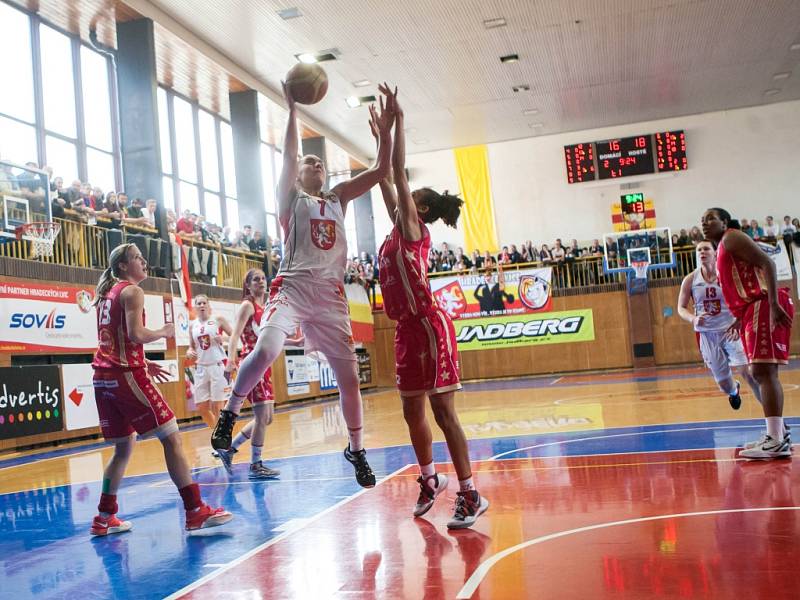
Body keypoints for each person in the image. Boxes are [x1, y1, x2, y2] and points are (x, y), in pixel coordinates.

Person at [211, 80, 396, 488]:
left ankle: (357, 449)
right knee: (266, 349)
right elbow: (290, 155)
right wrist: (291, 109)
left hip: (330, 297)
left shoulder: (338, 198)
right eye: (310, 162)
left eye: (319, 164)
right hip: (292, 288)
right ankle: (229, 414)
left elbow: (381, 170)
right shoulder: (290, 198)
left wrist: (386, 133)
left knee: (350, 380)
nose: (314, 166)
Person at [373, 85, 488, 528]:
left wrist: (398, 121)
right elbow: (384, 174)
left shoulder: (414, 227)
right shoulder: (392, 233)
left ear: (417, 206)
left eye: (407, 195)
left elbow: (396, 174)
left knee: (443, 413)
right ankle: (428, 478)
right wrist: (381, 135)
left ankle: (470, 493)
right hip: (404, 328)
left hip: (430, 325)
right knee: (410, 411)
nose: (400, 197)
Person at [90, 243, 232, 535]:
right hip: (124, 376)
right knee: (171, 436)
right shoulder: (132, 291)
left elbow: (116, 339)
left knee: (123, 448)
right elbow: (135, 334)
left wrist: (145, 360)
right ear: (122, 267)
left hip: (103, 377)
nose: (143, 261)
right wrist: (164, 333)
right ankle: (195, 511)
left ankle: (103, 517)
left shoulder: (107, 294)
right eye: (137, 258)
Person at [701, 208, 794, 459]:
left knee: (763, 371)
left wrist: (773, 304)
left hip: (763, 304)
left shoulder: (731, 237)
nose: (704, 222)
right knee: (760, 371)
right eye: (703, 219)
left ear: (725, 222)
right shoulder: (723, 248)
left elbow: (768, 262)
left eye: (711, 218)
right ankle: (777, 435)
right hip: (751, 309)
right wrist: (738, 319)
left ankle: (776, 439)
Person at [677, 240, 761, 410]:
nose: (702, 251)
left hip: (730, 331)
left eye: (706, 248)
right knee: (724, 384)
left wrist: (739, 322)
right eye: (699, 249)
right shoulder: (690, 279)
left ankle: (776, 421)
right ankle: (733, 390)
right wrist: (693, 318)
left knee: (749, 373)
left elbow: (745, 301)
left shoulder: (727, 275)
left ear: (715, 253)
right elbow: (680, 308)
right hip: (707, 334)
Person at [215, 269, 281, 480]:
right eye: (256, 279)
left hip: (265, 364)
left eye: (263, 278)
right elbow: (234, 335)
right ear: (248, 285)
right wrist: (231, 361)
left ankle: (229, 449)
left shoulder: (266, 307)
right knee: (262, 416)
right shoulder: (247, 305)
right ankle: (256, 464)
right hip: (253, 363)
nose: (261, 282)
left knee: (267, 418)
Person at [185, 295, 233, 431]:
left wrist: (223, 337)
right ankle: (218, 434)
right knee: (201, 407)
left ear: (208, 305)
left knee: (217, 406)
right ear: (195, 307)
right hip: (201, 367)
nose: (201, 305)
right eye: (198, 303)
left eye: (203, 303)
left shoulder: (218, 320)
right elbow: (192, 346)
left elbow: (234, 336)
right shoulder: (192, 325)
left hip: (217, 365)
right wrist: (189, 351)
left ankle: (220, 441)